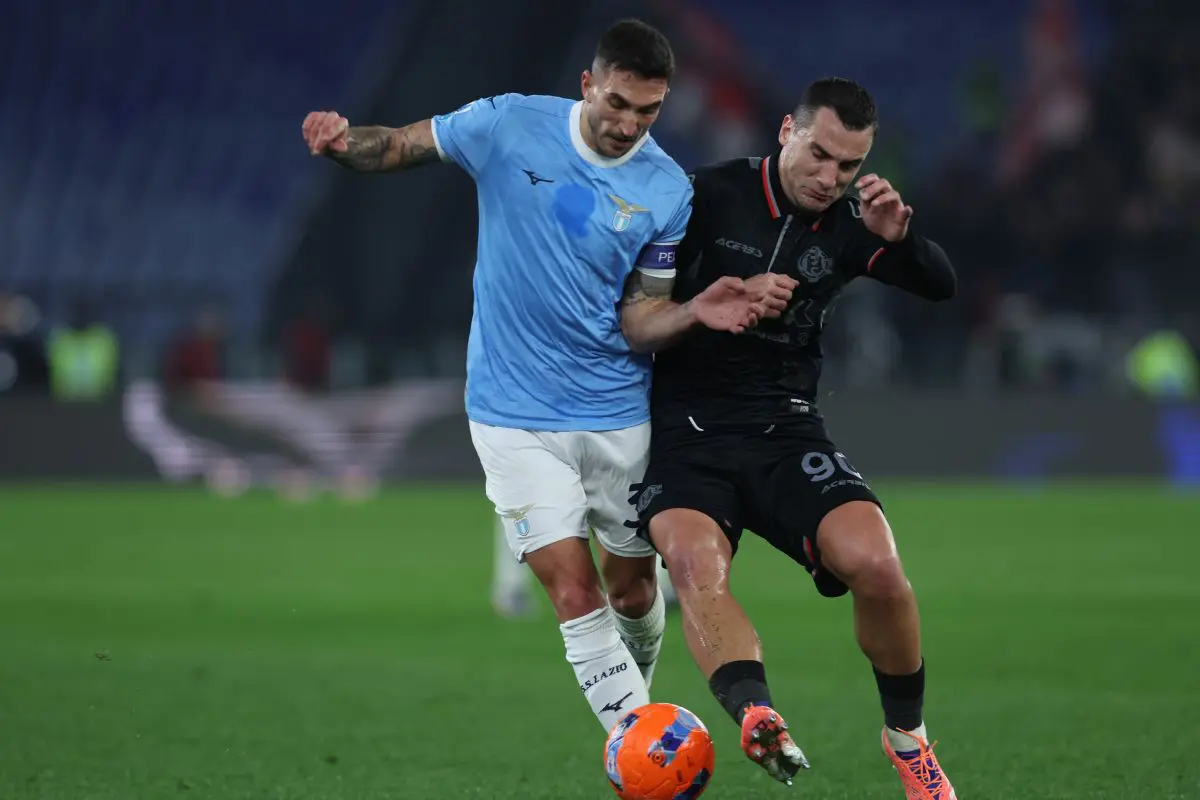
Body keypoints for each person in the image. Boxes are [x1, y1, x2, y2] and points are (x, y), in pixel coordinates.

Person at [301, 19, 768, 735]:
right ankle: (640, 741)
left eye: (647, 111)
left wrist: (693, 312)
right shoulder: (508, 124)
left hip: (617, 413)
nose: (628, 125)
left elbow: (642, 315)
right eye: (617, 103)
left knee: (633, 591)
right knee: (572, 589)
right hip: (511, 413)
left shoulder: (667, 189)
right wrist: (343, 143)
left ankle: (636, 711)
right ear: (587, 84)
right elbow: (396, 145)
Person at [627, 77, 959, 797]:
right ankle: (756, 714)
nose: (829, 178)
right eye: (819, 155)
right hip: (687, 432)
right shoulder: (704, 193)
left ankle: (909, 741)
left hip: (785, 428)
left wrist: (902, 240)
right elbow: (634, 303)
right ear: (787, 131)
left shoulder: (850, 223)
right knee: (692, 563)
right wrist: (703, 306)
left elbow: (940, 285)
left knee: (877, 564)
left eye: (848, 165)